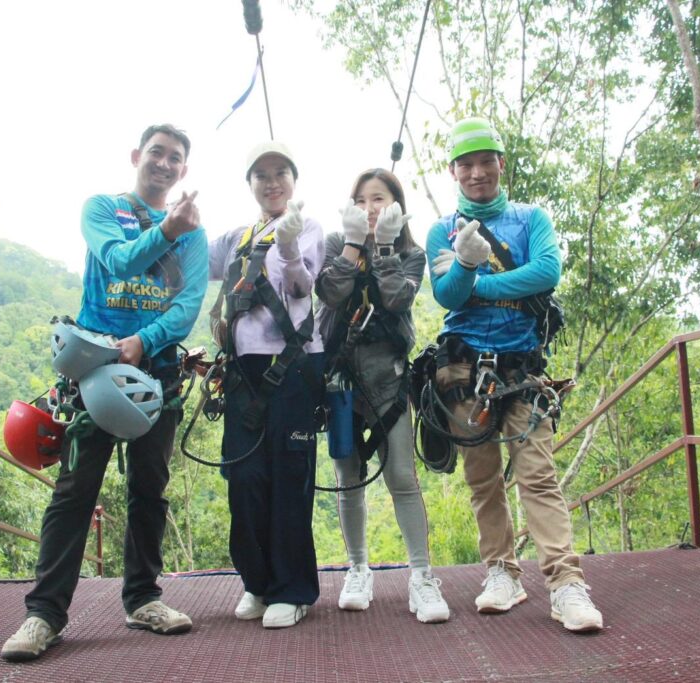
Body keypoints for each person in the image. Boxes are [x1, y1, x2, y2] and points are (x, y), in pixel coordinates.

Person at [1, 124, 209, 661]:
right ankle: (43, 614)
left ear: (183, 170)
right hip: (93, 371)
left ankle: (143, 598)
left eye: (175, 158)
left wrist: (145, 340)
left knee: (150, 487)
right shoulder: (101, 209)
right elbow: (118, 260)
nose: (164, 164)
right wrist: (167, 231)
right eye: (157, 153)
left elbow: (188, 305)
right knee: (75, 490)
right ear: (137, 156)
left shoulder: (193, 230)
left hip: (156, 374)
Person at [426, 117, 603, 632]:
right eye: (467, 165)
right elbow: (445, 296)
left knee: (538, 476)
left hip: (523, 366)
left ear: (501, 165)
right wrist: (465, 270)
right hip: (464, 368)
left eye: (486, 162)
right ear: (454, 171)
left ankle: (566, 583)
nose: (477, 173)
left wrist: (476, 279)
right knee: (482, 478)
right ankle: (502, 573)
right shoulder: (443, 229)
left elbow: (547, 272)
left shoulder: (530, 219)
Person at [315, 169, 449, 624]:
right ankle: (357, 568)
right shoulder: (337, 245)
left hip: (390, 377)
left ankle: (421, 575)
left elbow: (396, 301)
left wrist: (386, 250)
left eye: (379, 198)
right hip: (343, 379)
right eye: (361, 199)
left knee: (402, 478)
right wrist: (354, 246)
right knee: (346, 476)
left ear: (395, 204)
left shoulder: (412, 253)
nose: (370, 208)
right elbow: (330, 292)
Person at [208, 142, 325, 629]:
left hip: (293, 364)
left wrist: (291, 247)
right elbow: (197, 268)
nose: (271, 182)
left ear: (294, 180)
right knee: (245, 477)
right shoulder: (235, 237)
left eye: (280, 172)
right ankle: (256, 580)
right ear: (250, 183)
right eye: (261, 174)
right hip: (242, 370)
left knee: (288, 476)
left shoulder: (309, 227)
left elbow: (302, 289)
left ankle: (292, 589)